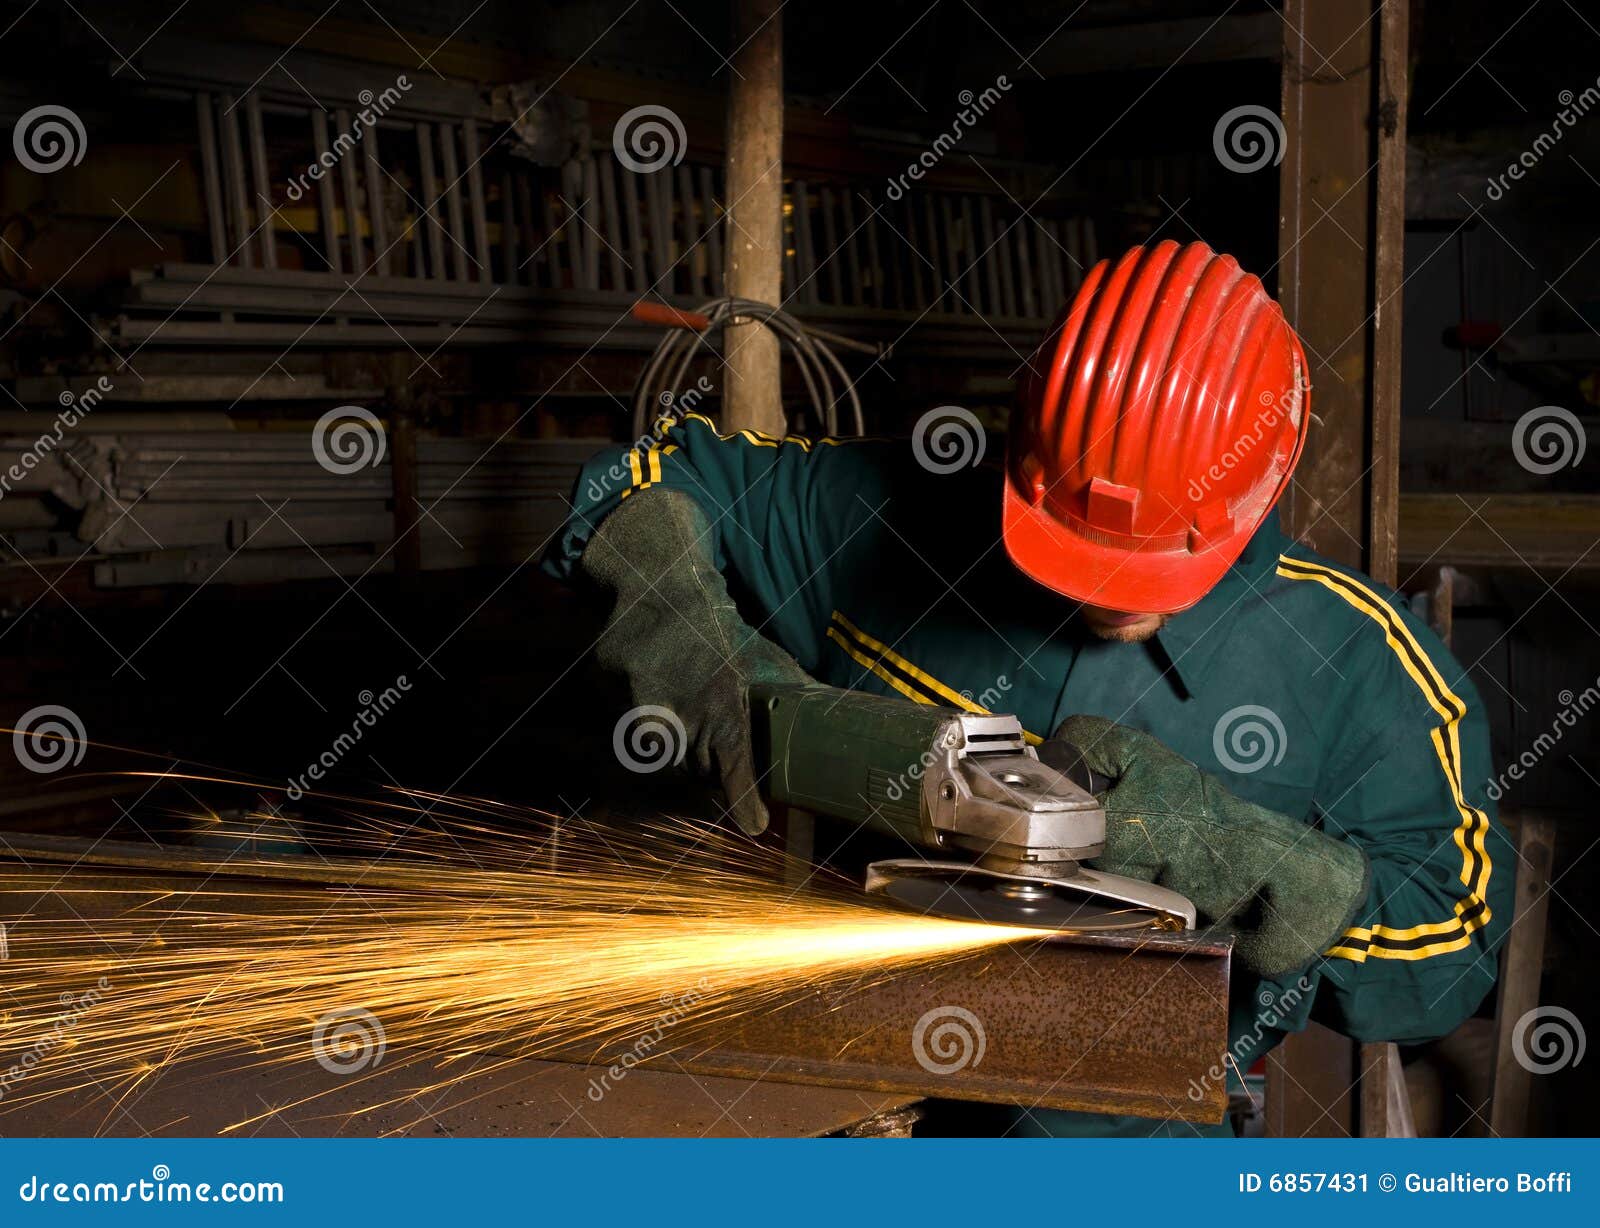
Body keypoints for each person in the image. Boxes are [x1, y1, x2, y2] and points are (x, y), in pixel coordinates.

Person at [545, 239, 1511, 1135]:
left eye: (1143, 568)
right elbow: (643, 480)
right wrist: (705, 668)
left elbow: (1452, 952)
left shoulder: (1362, 663)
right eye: (1072, 551)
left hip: (1127, 1154)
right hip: (833, 1100)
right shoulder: (884, 519)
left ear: (1259, 478)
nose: (1100, 590)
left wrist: (1256, 862)